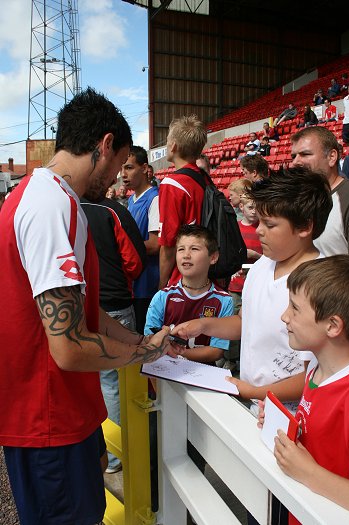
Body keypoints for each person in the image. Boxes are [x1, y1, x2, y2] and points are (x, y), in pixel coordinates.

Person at [0, 87, 173, 525]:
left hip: (64, 409)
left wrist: (140, 339)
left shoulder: (49, 198)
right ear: (105, 145)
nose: (117, 178)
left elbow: (83, 312)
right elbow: (70, 346)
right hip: (48, 416)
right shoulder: (49, 205)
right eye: (118, 165)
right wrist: (147, 354)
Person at [172, 168, 333, 412]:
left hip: (290, 415)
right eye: (259, 221)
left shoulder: (321, 284)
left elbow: (317, 373)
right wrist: (204, 325)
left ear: (304, 227)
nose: (258, 230)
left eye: (269, 224)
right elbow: (244, 322)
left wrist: (253, 392)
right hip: (254, 402)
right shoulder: (261, 267)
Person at [257, 255, 349, 523]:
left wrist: (308, 473)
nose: (284, 316)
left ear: (333, 325)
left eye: (294, 308)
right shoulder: (316, 372)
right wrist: (282, 426)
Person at [81, 196, 147, 473]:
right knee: (111, 383)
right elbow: (134, 262)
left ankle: (97, 449)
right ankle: (115, 454)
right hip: (113, 304)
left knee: (87, 381)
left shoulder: (59, 206)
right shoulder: (112, 210)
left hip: (76, 306)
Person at [145, 224, 233, 363]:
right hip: (165, 373)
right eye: (181, 249)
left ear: (213, 257)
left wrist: (180, 353)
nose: (186, 255)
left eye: (194, 249)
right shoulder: (162, 296)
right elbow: (149, 338)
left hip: (203, 376)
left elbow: (216, 350)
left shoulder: (224, 300)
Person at [291, 126, 349, 257]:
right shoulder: (295, 199)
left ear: (331, 157)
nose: (295, 162)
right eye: (293, 156)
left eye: (305, 154)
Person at [158, 115, 207, 289]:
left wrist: (161, 287)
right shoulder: (205, 179)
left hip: (182, 280)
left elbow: (168, 245)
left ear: (173, 146)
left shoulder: (172, 184)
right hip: (207, 275)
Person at [122, 145, 160, 332]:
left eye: (129, 168)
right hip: (134, 281)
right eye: (122, 168)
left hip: (148, 282)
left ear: (144, 168)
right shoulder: (131, 200)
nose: (123, 174)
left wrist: (120, 249)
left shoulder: (154, 199)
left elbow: (155, 245)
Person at [226, 194, 262, 371]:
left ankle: (248, 358)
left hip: (255, 285)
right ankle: (232, 359)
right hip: (236, 285)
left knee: (253, 324)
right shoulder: (237, 228)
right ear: (241, 208)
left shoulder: (262, 229)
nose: (254, 211)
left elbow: (269, 258)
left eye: (257, 207)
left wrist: (256, 256)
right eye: (250, 207)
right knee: (233, 321)